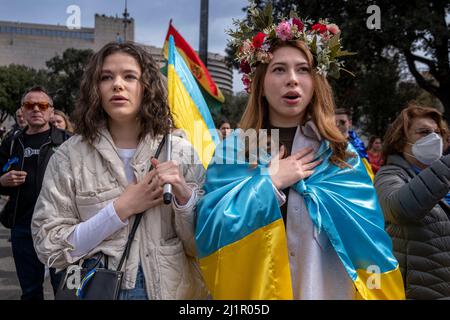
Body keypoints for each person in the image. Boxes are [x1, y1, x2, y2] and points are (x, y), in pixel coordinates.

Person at [195, 4, 404, 300]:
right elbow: (209, 232)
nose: (292, 79)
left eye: (303, 69)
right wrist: (269, 184)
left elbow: (370, 246)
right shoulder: (235, 150)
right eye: (279, 69)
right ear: (261, 85)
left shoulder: (342, 155)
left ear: (314, 83)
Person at [31, 41, 208, 300]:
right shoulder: (69, 156)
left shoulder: (180, 152)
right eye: (106, 77)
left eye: (129, 76)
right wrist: (119, 210)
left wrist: (184, 197)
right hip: (96, 289)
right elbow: (49, 245)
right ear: (95, 88)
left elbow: (200, 245)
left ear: (146, 86)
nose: (117, 84)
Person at [0, 86, 70, 300]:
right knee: (30, 292)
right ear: (23, 110)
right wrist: (2, 180)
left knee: (64, 291)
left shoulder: (68, 141)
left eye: (42, 105)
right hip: (22, 226)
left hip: (60, 226)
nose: (36, 109)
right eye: (30, 105)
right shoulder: (12, 142)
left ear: (51, 111)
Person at [374, 104, 450, 299]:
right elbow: (399, 209)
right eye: (424, 132)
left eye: (438, 133)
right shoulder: (389, 175)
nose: (434, 138)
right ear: (400, 142)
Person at [335, 108, 374, 179]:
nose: (337, 125)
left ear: (350, 123)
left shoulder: (357, 145)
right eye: (334, 122)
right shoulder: (326, 143)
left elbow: (367, 171)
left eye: (342, 122)